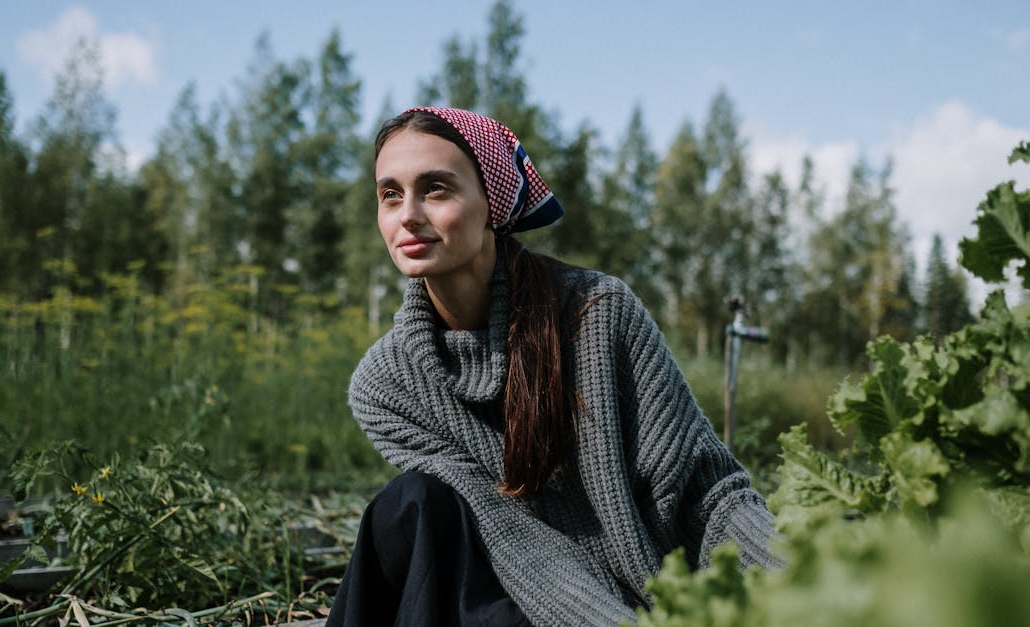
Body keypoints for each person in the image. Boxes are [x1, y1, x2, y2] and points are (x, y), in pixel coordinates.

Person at [326, 107, 780, 627]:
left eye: (435, 189)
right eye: (390, 194)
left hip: (648, 598)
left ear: (491, 203)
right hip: (518, 588)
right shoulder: (386, 385)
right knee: (410, 505)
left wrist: (802, 585)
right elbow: (511, 537)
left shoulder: (597, 313)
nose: (408, 214)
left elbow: (707, 492)